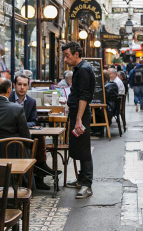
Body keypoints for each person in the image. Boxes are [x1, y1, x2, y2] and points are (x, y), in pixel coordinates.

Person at [9, 74, 57, 190]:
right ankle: (40, 168)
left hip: (25, 134)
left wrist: (22, 124)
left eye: (25, 85)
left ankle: (39, 173)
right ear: (14, 85)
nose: (22, 87)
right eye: (19, 84)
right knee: (35, 142)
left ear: (28, 86)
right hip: (10, 135)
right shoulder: (8, 99)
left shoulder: (31, 101)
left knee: (39, 139)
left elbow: (34, 121)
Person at [62, 42, 95, 199]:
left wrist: (79, 119)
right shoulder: (79, 69)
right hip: (77, 113)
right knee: (79, 147)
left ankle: (87, 185)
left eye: (67, 56)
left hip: (81, 114)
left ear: (76, 54)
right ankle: (81, 179)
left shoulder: (83, 70)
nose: (65, 59)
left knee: (84, 148)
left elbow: (84, 96)